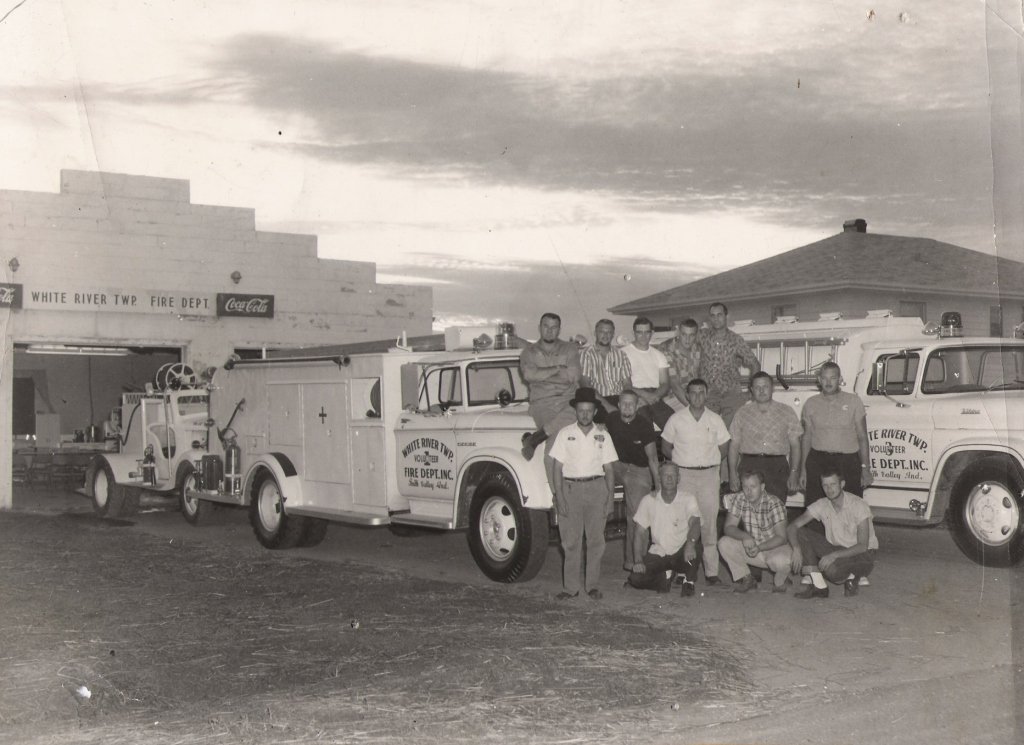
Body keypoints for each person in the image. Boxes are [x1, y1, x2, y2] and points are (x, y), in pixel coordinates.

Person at [549, 387, 618, 600]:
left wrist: (610, 498)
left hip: (597, 489)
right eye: (581, 410)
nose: (585, 414)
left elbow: (609, 470)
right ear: (576, 411)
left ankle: (592, 586)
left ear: (595, 412)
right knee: (570, 541)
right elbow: (556, 468)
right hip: (571, 489)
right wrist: (559, 496)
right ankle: (570, 588)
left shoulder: (603, 435)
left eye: (589, 410)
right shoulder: (565, 434)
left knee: (596, 540)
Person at [660, 378, 731, 586]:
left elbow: (724, 447)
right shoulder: (676, 419)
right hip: (684, 475)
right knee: (682, 522)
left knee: (708, 524)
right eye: (693, 392)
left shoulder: (715, 419)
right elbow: (665, 446)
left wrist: (711, 463)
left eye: (701, 392)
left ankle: (711, 572)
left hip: (709, 475)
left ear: (706, 394)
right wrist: (682, 462)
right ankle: (682, 571)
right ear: (687, 395)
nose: (698, 396)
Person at [787, 468, 878, 598]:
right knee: (800, 532)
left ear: (842, 484)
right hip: (838, 550)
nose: (829, 489)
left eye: (833, 484)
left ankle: (854, 576)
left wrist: (834, 555)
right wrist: (796, 548)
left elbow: (862, 545)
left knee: (831, 571)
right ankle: (819, 587)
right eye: (825, 485)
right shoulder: (822, 504)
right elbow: (793, 526)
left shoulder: (858, 505)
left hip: (863, 554)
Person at [799, 361, 873, 507]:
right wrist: (803, 469)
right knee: (816, 508)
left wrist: (866, 469)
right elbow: (806, 438)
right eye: (824, 378)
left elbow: (863, 438)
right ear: (819, 380)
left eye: (833, 378)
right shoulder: (810, 403)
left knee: (851, 507)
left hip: (848, 462)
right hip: (818, 461)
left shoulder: (854, 401)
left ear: (840, 380)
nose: (828, 382)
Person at [626, 462, 703, 597]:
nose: (669, 478)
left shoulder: (688, 498)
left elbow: (696, 522)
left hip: (682, 553)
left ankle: (688, 581)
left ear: (678, 478)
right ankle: (665, 577)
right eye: (665, 475)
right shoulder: (648, 500)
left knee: (696, 544)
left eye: (673, 475)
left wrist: (690, 544)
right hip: (659, 552)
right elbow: (639, 533)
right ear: (659, 477)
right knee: (635, 579)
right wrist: (638, 560)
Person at [605, 389, 660, 570]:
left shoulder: (644, 425)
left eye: (631, 403)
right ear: (619, 405)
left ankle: (635, 561)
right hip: (617, 465)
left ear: (637, 406)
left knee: (637, 516)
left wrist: (658, 487)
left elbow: (652, 458)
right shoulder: (611, 419)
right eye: (624, 403)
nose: (627, 406)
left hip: (639, 469)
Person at [727, 371, 802, 502]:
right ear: (751, 390)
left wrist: (794, 472)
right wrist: (732, 473)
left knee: (776, 510)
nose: (761, 391)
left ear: (772, 388)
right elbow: (734, 445)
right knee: (748, 512)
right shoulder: (742, 412)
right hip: (749, 466)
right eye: (757, 387)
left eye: (765, 386)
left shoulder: (787, 411)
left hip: (777, 467)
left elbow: (795, 445)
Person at [519, 312, 581, 461]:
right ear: (539, 328)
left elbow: (573, 376)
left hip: (569, 400)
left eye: (554, 327)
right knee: (557, 438)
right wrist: (559, 369)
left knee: (583, 411)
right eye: (546, 326)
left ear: (559, 329)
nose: (549, 330)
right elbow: (529, 375)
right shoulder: (529, 352)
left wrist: (542, 376)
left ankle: (537, 437)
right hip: (543, 403)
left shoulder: (570, 348)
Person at [719, 470, 793, 593]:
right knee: (723, 543)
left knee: (780, 562)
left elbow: (782, 538)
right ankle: (747, 578)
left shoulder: (774, 503)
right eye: (745, 487)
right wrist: (744, 536)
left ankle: (782, 578)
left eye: (753, 487)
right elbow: (728, 527)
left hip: (775, 548)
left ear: (762, 487)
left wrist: (759, 547)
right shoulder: (739, 498)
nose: (748, 491)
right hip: (755, 548)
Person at [698, 302, 760, 428]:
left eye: (719, 315)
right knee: (707, 432)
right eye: (713, 315)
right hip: (708, 395)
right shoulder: (702, 336)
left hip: (731, 395)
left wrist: (751, 392)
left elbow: (755, 364)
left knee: (731, 433)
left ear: (727, 316)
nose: (716, 319)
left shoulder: (736, 340)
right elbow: (684, 341)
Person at [621, 316, 671, 428]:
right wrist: (644, 397)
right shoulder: (623, 353)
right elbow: (625, 385)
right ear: (633, 333)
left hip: (655, 395)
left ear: (652, 333)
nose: (643, 336)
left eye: (647, 332)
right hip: (634, 396)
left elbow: (665, 383)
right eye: (639, 332)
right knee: (645, 427)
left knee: (673, 425)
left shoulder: (659, 355)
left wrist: (653, 397)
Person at [579, 318, 632, 420]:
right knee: (614, 422)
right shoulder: (586, 354)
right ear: (595, 333)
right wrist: (607, 406)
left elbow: (627, 384)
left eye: (609, 332)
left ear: (613, 334)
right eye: (602, 331)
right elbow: (585, 385)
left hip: (619, 399)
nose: (605, 335)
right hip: (598, 400)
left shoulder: (621, 354)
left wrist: (626, 404)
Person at [657, 317, 701, 414]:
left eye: (691, 335)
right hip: (673, 398)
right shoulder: (666, 350)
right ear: (678, 333)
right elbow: (675, 386)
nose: (687, 339)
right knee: (693, 419)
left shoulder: (698, 348)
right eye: (684, 334)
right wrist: (693, 408)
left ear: (696, 335)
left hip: (694, 395)